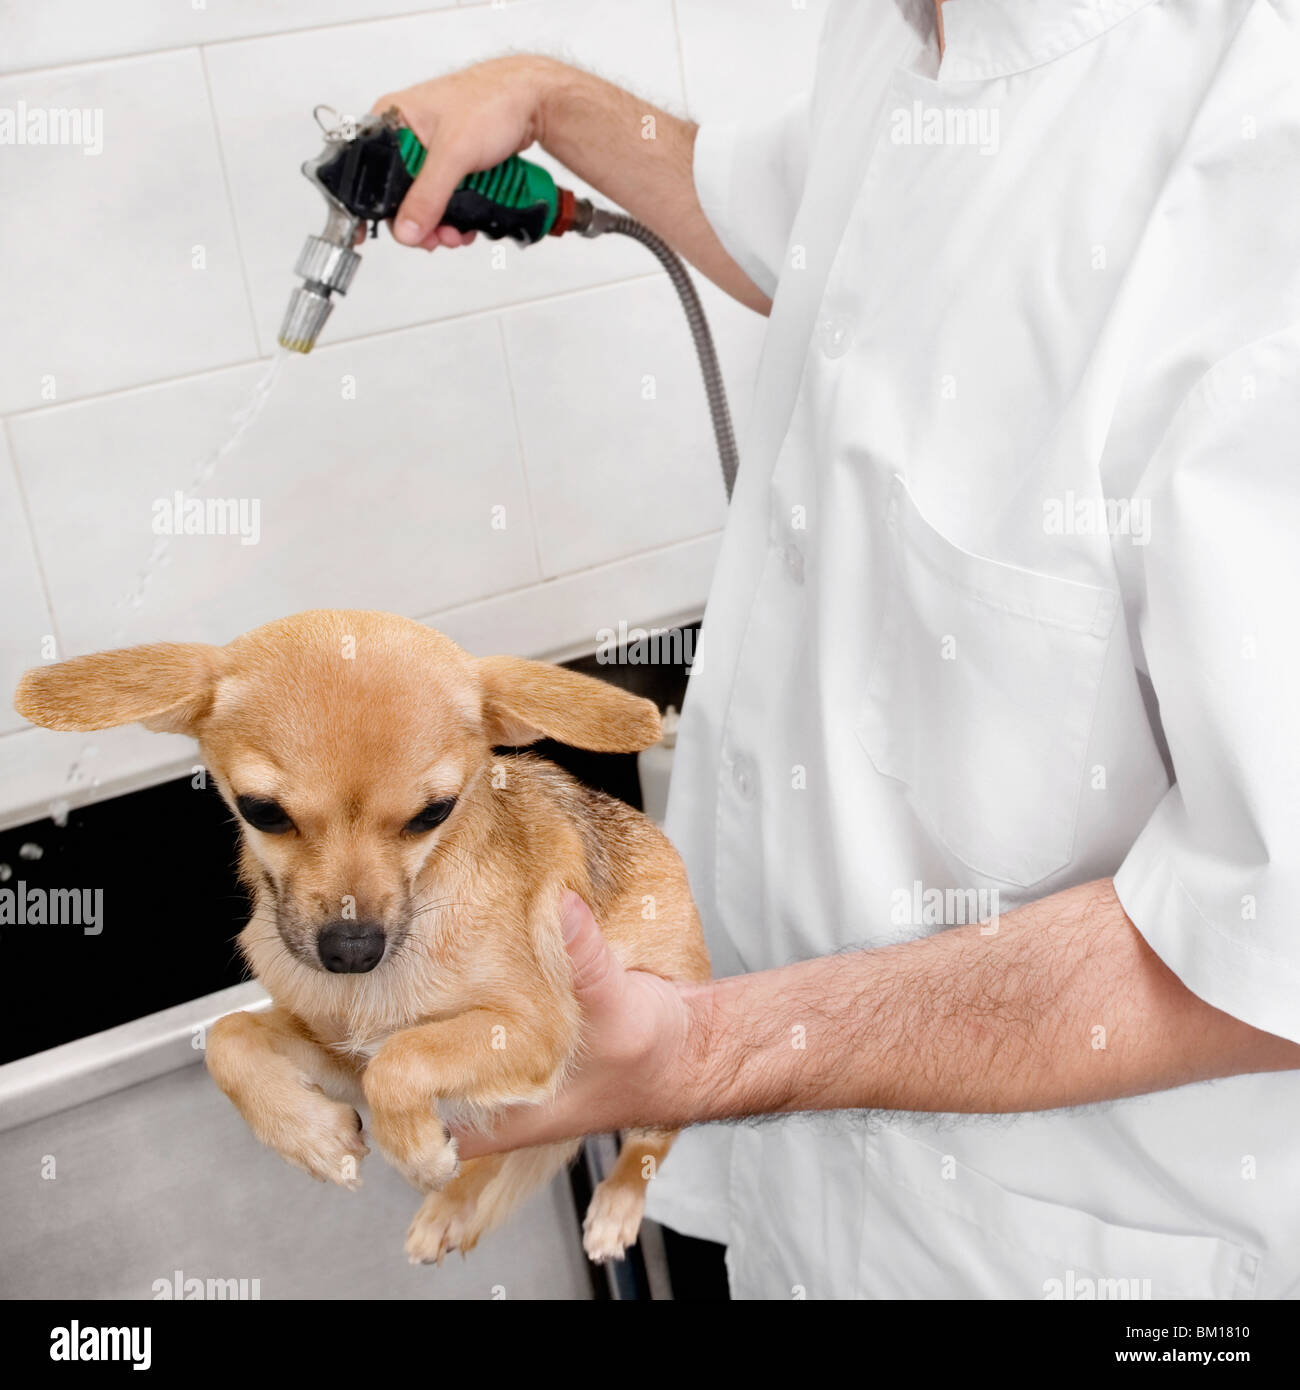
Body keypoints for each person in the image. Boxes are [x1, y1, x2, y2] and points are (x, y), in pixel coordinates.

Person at [370, 0, 1300, 1298]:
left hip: (1075, 1267)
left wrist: (711, 1053)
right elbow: (796, 227)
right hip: (816, 1222)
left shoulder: (1258, 157)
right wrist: (545, 100)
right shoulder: (896, 35)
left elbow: (1265, 953)